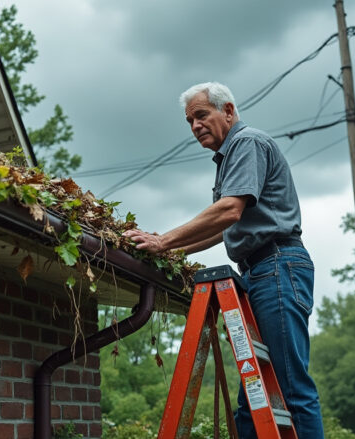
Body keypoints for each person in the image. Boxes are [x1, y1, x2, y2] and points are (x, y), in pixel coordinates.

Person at [123, 82, 324, 438]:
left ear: (228, 111)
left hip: (277, 267)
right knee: (254, 396)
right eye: (189, 121)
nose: (195, 126)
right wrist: (168, 251)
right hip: (262, 270)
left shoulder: (247, 143)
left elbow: (229, 211)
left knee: (290, 388)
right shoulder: (231, 156)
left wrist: (162, 240)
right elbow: (227, 227)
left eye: (201, 115)